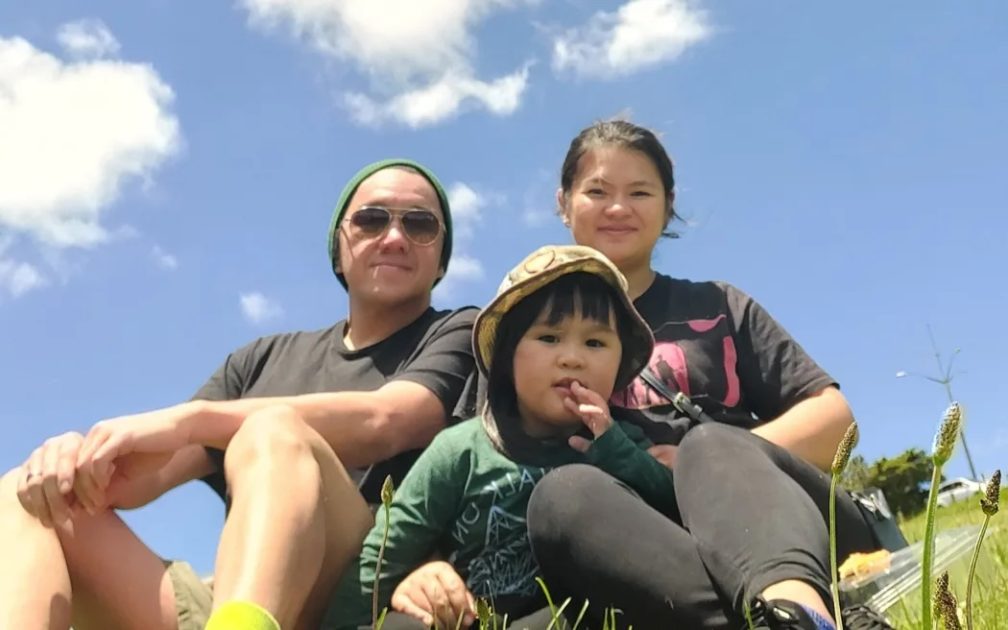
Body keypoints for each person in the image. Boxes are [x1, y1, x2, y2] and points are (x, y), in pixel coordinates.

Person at [0, 159, 478, 630]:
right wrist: (72, 462)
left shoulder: (458, 333)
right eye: (372, 220)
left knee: (273, 432)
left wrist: (192, 419)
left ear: (440, 260)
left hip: (357, 588)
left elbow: (388, 420)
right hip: (233, 600)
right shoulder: (259, 361)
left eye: (420, 224)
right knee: (27, 495)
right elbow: (130, 481)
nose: (394, 237)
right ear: (338, 250)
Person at [524, 120, 894, 629]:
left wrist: (703, 465)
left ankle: (793, 601)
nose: (618, 207)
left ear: (668, 204)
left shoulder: (718, 304)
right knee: (562, 497)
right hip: (649, 554)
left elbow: (834, 420)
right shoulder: (525, 331)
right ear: (563, 203)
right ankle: (789, 622)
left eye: (640, 192)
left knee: (710, 445)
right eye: (597, 191)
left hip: (782, 527)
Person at [323, 244, 676, 630]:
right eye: (549, 338)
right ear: (507, 358)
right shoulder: (462, 449)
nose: (572, 358)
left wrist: (616, 451)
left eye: (595, 343)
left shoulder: (622, 441)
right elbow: (387, 550)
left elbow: (668, 509)